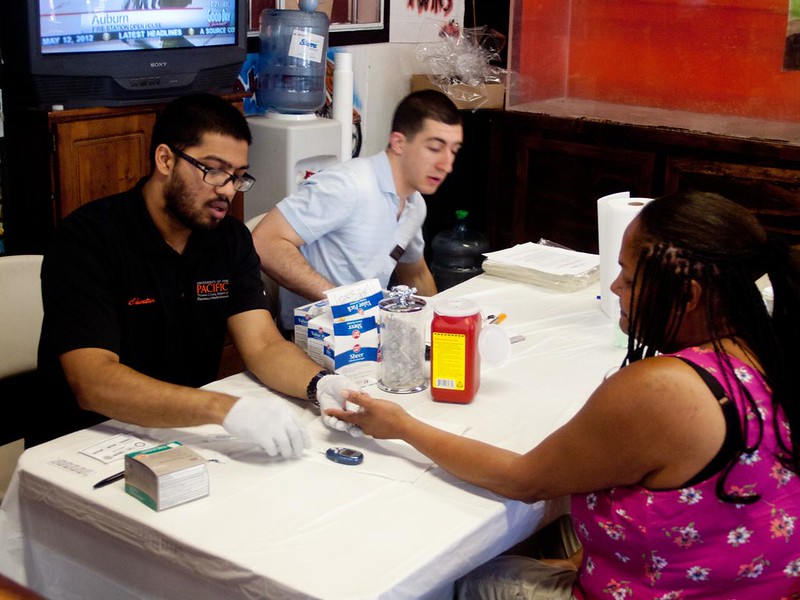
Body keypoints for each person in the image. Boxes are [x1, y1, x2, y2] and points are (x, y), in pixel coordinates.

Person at [328, 191, 800, 598]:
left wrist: (402, 426)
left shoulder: (665, 389)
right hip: (745, 585)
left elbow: (523, 480)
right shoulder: (765, 350)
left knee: (469, 578)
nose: (615, 288)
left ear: (690, 295)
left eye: (631, 279)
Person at [35, 93, 360, 454]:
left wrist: (321, 386)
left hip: (181, 432)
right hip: (88, 440)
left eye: (237, 176)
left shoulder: (229, 239)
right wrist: (222, 408)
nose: (226, 189)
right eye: (213, 169)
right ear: (165, 159)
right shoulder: (88, 238)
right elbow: (92, 381)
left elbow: (264, 345)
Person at [251, 89, 463, 332]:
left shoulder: (415, 204)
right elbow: (264, 242)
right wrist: (343, 302)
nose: (447, 165)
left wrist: (438, 327)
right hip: (315, 336)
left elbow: (415, 274)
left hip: (368, 332)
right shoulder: (348, 185)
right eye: (435, 148)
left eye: (454, 151)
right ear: (399, 143)